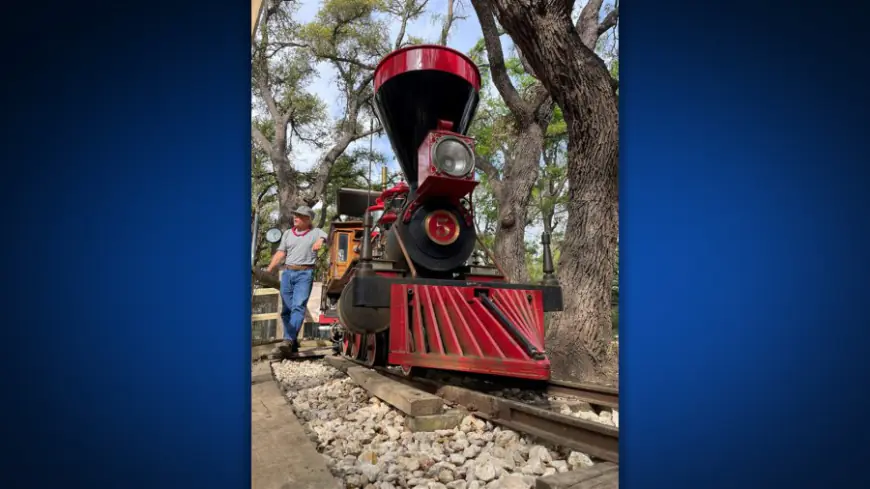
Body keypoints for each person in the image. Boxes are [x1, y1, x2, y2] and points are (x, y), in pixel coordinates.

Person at [265, 206, 327, 354]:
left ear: (308, 219)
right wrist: (268, 270)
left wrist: (320, 241)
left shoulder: (315, 232)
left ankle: (287, 340)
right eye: (295, 215)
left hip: (305, 274)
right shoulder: (287, 233)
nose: (295, 217)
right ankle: (291, 342)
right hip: (287, 273)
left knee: (298, 306)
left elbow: (324, 236)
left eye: (299, 216)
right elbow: (281, 253)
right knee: (286, 310)